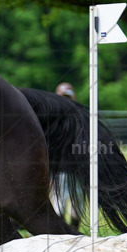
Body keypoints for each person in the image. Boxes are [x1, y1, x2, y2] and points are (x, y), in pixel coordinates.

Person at [50, 82, 80, 225]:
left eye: (68, 97)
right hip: (59, 172)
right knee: (59, 209)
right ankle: (61, 241)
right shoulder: (53, 121)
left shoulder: (80, 119)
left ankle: (77, 240)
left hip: (78, 172)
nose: (66, 101)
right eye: (63, 97)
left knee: (77, 211)